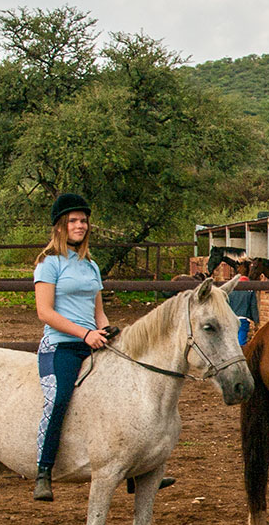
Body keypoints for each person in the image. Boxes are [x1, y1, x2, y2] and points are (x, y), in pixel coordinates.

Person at [32, 193, 172, 500]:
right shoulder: (48, 263)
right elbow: (45, 312)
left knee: (132, 390)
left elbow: (98, 311)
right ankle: (44, 470)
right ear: (60, 226)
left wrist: (104, 329)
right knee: (59, 398)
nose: (80, 225)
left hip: (92, 341)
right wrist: (84, 335)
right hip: (61, 346)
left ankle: (138, 468)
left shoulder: (90, 265)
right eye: (74, 221)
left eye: (83, 221)